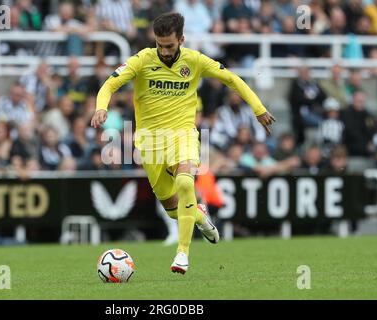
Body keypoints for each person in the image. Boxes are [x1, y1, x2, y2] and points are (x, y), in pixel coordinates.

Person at [91, 13, 275, 274]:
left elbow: (231, 79)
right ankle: (199, 216)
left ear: (181, 39)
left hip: (183, 135)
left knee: (186, 182)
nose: (164, 51)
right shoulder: (142, 60)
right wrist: (101, 107)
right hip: (150, 142)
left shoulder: (195, 60)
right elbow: (110, 84)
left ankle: (182, 254)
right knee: (172, 209)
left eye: (170, 45)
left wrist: (258, 109)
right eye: (160, 45)